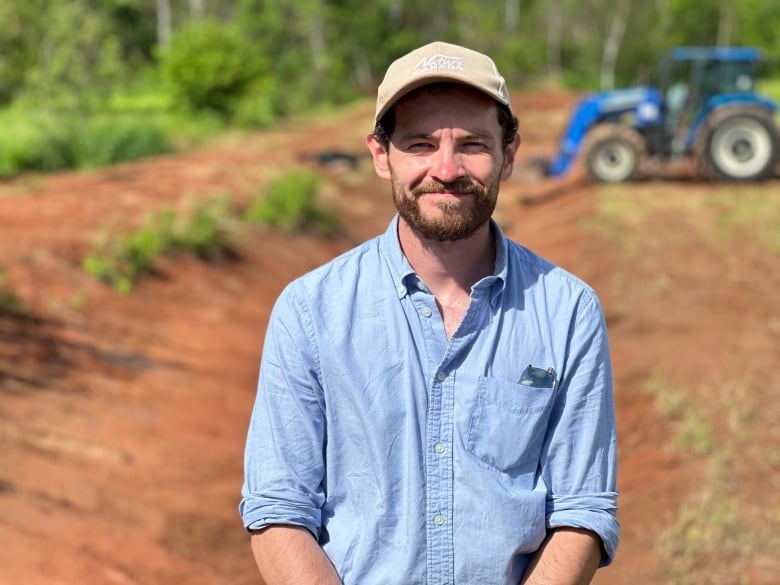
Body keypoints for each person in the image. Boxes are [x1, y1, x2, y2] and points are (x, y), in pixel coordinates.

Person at [240, 41, 619, 585]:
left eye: (472, 145)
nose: (446, 168)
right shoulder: (308, 311)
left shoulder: (567, 311)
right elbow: (277, 508)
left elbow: (583, 510)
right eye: (420, 144)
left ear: (509, 154)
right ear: (379, 153)